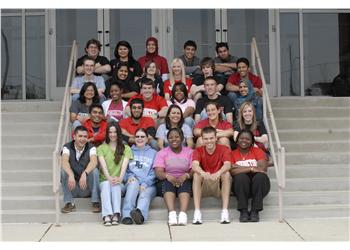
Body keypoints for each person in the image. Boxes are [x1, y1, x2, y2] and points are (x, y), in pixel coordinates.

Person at [191, 126, 232, 224]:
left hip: (218, 183)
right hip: (205, 182)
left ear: (216, 138)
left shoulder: (224, 149)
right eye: (205, 139)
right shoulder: (198, 150)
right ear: (202, 139)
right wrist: (203, 173)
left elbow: (228, 164)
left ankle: (225, 212)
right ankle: (197, 213)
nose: (209, 141)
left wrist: (218, 173)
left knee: (226, 174)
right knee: (196, 175)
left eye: (211, 138)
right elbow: (194, 165)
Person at [154, 128, 193, 226]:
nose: (173, 139)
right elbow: (158, 172)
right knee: (167, 183)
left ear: (182, 138)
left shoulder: (190, 152)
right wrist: (167, 176)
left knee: (185, 183)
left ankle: (183, 215)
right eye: (170, 137)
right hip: (166, 180)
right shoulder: (162, 153)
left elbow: (194, 170)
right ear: (167, 140)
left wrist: (186, 175)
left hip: (185, 179)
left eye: (176, 137)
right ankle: (172, 215)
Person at [230, 129, 270, 223]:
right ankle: (243, 211)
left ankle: (255, 211)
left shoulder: (257, 151)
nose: (244, 141)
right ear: (237, 140)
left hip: (259, 186)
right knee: (241, 177)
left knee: (260, 176)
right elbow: (232, 171)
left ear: (252, 142)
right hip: (240, 188)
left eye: (247, 139)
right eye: (241, 138)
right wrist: (251, 168)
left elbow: (262, 168)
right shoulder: (232, 154)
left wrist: (239, 167)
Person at [97, 122, 133, 226]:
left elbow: (124, 167)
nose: (113, 135)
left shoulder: (126, 148)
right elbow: (103, 168)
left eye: (115, 132)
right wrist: (109, 178)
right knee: (107, 184)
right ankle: (107, 215)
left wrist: (120, 178)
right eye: (110, 132)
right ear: (107, 133)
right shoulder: (101, 148)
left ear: (119, 133)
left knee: (116, 185)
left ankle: (116, 214)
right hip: (104, 181)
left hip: (119, 182)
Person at [60, 125, 101, 214]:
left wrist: (85, 173)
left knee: (95, 171)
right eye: (80, 136)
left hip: (86, 187)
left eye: (85, 136)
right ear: (74, 137)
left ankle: (95, 202)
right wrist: (70, 174)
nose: (83, 139)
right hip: (73, 187)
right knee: (63, 171)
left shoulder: (91, 147)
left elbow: (94, 162)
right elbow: (64, 162)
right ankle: (69, 203)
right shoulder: (67, 147)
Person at [121, 128, 157, 225]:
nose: (140, 139)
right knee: (133, 185)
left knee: (144, 194)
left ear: (147, 139)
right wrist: (129, 177)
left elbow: (154, 172)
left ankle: (139, 215)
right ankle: (127, 215)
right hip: (133, 180)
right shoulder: (129, 151)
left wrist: (145, 183)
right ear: (134, 138)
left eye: (142, 137)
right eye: (137, 136)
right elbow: (125, 169)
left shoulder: (153, 153)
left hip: (149, 184)